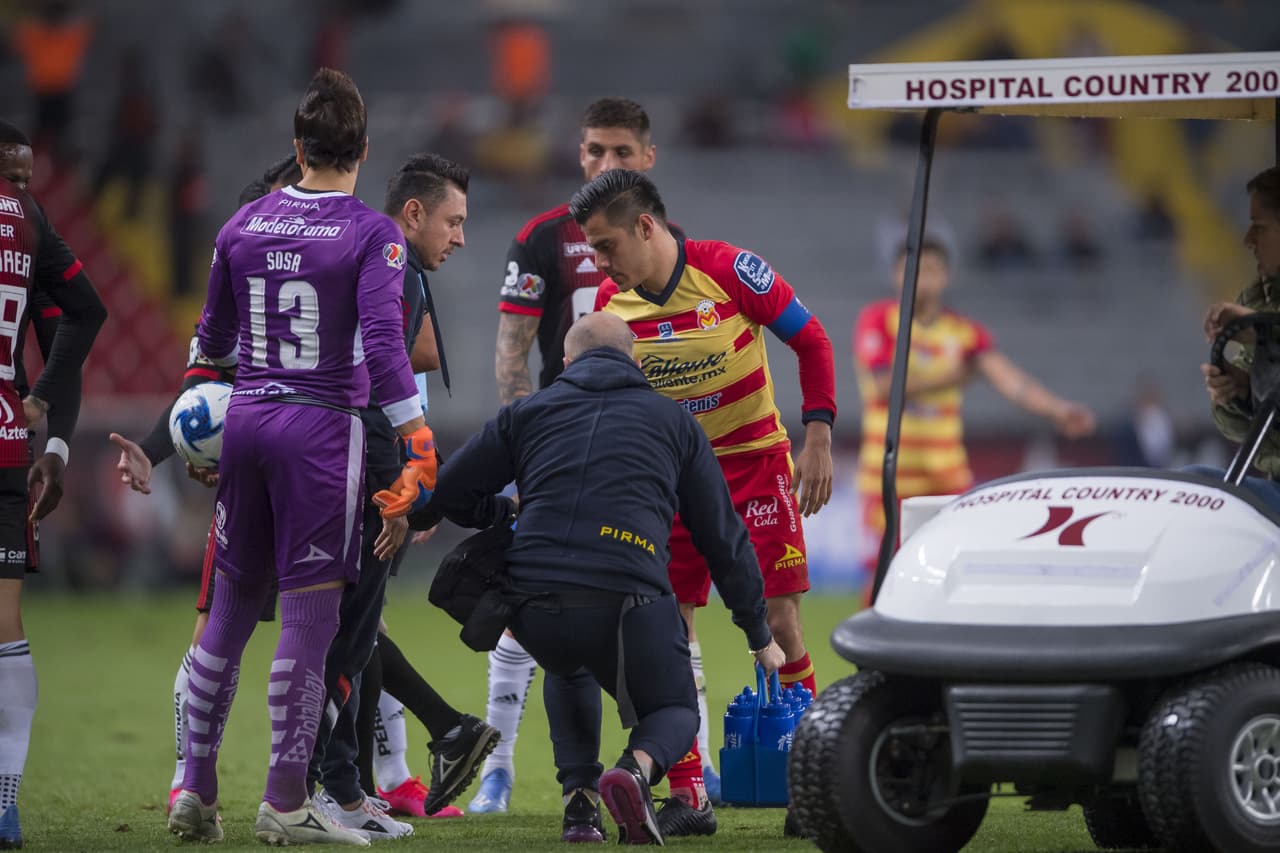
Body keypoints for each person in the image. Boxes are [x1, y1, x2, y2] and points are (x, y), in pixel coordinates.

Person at [165, 68, 437, 847]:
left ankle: (194, 784)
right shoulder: (372, 234)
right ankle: (285, 801)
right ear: (362, 150)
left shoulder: (241, 225)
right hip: (322, 428)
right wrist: (418, 439)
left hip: (246, 419)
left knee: (228, 612)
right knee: (310, 618)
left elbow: (207, 347)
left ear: (296, 146)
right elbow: (387, 350)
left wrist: (196, 425)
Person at [427, 311, 786, 846]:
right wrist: (759, 634)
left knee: (566, 668)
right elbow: (723, 538)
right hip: (629, 596)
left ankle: (579, 807)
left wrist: (502, 515)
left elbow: (448, 493)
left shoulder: (527, 412)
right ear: (636, 360)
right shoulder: (673, 421)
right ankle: (635, 771)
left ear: (567, 362)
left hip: (532, 600)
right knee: (674, 708)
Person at [581, 168, 836, 837]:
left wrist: (818, 436)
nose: (600, 265)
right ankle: (691, 793)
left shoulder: (730, 270)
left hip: (753, 465)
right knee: (670, 628)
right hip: (670, 479)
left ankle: (811, 781)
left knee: (780, 618)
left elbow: (811, 340)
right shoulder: (611, 301)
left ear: (645, 226)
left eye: (606, 247)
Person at [483, 96, 707, 821]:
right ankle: (501, 770)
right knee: (535, 618)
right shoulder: (542, 237)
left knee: (672, 614)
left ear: (646, 160)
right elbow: (512, 357)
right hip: (560, 452)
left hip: (637, 451)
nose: (605, 164)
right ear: (578, 157)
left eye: (619, 153)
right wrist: (521, 467)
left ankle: (686, 782)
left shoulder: (668, 243)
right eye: (592, 152)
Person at [307, 153, 498, 835]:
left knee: (350, 639)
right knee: (342, 638)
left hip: (339, 459)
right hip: (362, 465)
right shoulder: (392, 262)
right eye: (453, 221)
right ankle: (311, 790)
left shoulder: (367, 256)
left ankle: (347, 791)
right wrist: (400, 483)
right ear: (413, 213)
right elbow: (374, 385)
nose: (461, 236)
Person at [106, 153, 301, 817]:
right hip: (296, 478)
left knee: (332, 631)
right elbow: (200, 386)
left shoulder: (319, 268)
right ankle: (195, 783)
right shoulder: (242, 280)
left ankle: (356, 781)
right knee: (235, 632)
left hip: (294, 473)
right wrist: (167, 449)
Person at [853, 235, 1096, 583]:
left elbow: (1011, 381)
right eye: (913, 269)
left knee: (952, 571)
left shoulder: (964, 333)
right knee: (881, 578)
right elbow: (883, 385)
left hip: (945, 473)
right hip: (888, 472)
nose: (923, 277)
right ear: (896, 274)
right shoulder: (877, 320)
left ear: (946, 277)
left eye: (932, 269)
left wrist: (1057, 410)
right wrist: (954, 377)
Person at [0, 119, 108, 849]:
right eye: (13, 173)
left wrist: (59, 441)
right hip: (5, 439)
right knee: (4, 628)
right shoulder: (28, 226)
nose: (23, 188)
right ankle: (3, 799)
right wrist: (41, 420)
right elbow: (82, 313)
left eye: (28, 177)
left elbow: (71, 326)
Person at [1200, 166, 1280, 510]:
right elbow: (1246, 432)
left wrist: (1262, 329)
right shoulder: (1259, 296)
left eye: (1259, 227)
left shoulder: (1257, 310)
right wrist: (1237, 392)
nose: (1248, 240)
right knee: (1193, 489)